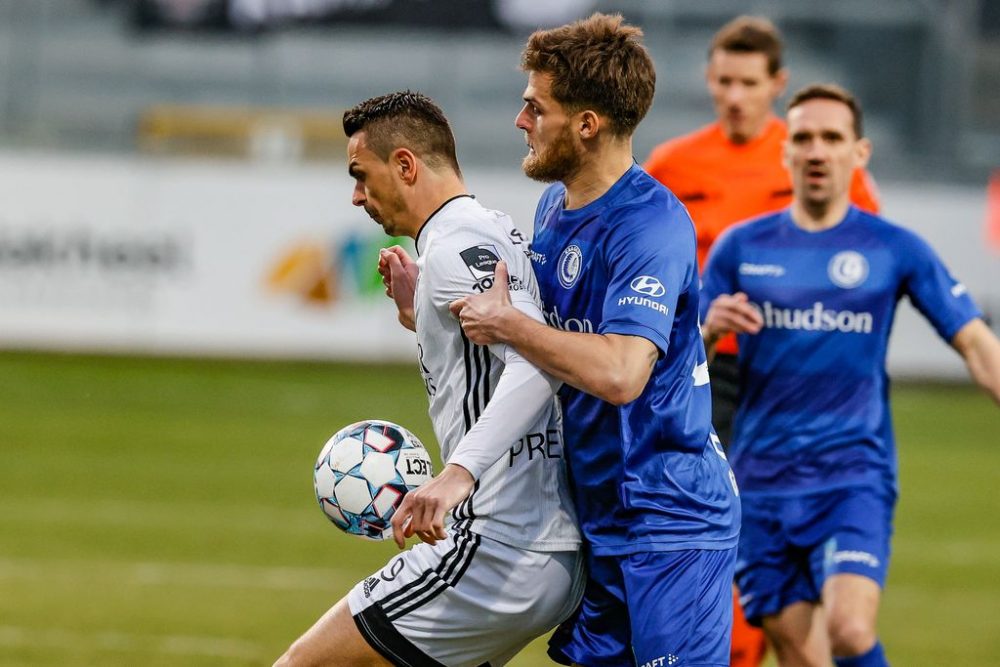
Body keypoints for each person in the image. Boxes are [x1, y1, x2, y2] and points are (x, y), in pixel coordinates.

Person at [451, 14, 741, 667]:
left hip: (670, 519)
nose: (520, 121)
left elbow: (619, 373)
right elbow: (549, 353)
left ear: (587, 124)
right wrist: (442, 314)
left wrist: (511, 323)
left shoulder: (650, 224)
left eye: (535, 107)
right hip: (602, 515)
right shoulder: (555, 209)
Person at [274, 90, 583, 667]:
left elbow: (539, 364)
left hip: (498, 547)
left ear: (406, 165)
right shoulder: (487, 230)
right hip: (542, 548)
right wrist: (425, 319)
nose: (356, 195)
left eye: (361, 175)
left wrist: (457, 475)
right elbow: (499, 354)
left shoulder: (457, 246)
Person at [700, 83, 1000, 667]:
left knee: (850, 631)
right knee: (799, 651)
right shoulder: (740, 248)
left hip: (852, 478)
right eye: (804, 138)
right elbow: (680, 367)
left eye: (832, 139)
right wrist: (708, 331)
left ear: (858, 154)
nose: (817, 151)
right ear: (785, 152)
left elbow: (976, 343)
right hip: (760, 481)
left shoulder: (894, 249)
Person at [643, 20, 882, 664]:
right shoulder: (672, 165)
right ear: (709, 80)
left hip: (798, 387)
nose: (735, 96)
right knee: (719, 539)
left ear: (776, 84)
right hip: (708, 380)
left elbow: (869, 266)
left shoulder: (815, 156)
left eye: (749, 83)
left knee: (786, 554)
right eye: (724, 81)